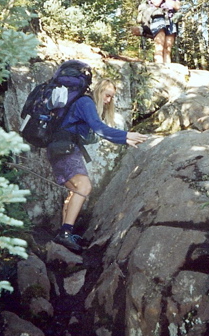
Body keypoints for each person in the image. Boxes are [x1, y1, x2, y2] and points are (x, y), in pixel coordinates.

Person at [47, 78, 148, 252]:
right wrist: (126, 136)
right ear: (99, 91)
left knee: (75, 190)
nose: (108, 100)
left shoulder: (84, 102)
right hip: (65, 149)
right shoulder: (86, 102)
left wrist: (123, 139)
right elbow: (99, 128)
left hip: (60, 149)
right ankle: (65, 233)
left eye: (111, 98)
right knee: (84, 187)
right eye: (107, 95)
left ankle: (63, 233)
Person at [146, 0, 181, 64]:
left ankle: (169, 73)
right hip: (158, 17)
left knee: (168, 49)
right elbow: (156, 2)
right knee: (159, 47)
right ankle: (159, 70)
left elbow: (177, 6)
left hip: (170, 17)